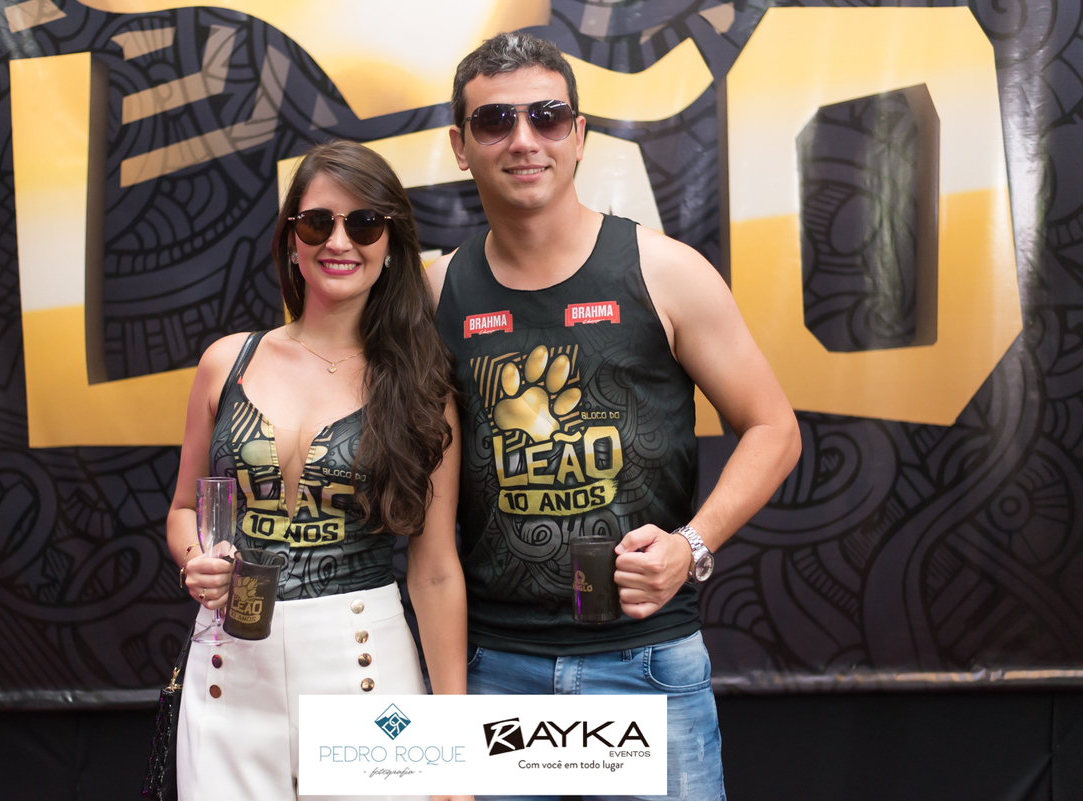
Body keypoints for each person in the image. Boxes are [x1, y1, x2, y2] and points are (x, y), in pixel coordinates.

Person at [425, 33, 802, 800]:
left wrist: (692, 545)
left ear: (579, 134)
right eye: (495, 121)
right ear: (461, 146)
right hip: (496, 673)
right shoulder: (437, 294)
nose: (523, 139)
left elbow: (775, 428)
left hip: (646, 667)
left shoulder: (665, 271)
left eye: (546, 116)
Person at [168, 141, 470, 801]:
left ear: (391, 243)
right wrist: (197, 559)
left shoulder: (420, 384)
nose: (339, 241)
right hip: (227, 669)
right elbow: (185, 509)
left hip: (364, 666)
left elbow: (435, 570)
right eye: (316, 223)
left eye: (363, 223)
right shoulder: (227, 362)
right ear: (290, 240)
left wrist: (451, 748)